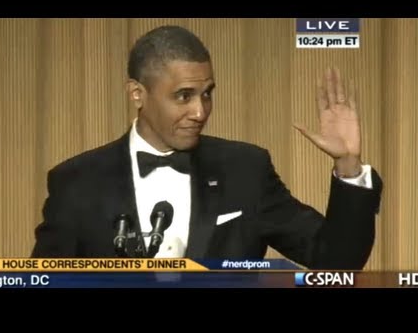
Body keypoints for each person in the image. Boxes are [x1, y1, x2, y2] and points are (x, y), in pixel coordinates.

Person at [31, 25, 382, 270]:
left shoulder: (245, 169)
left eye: (207, 94)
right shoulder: (76, 182)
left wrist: (349, 166)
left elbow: (336, 263)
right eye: (183, 96)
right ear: (138, 93)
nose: (200, 112)